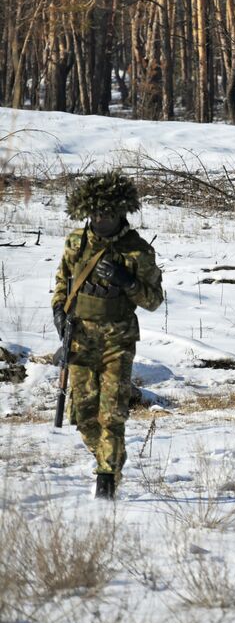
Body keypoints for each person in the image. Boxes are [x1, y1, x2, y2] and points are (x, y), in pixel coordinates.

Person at [51, 171, 164, 500]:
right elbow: (62, 286)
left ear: (121, 214)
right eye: (95, 214)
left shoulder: (137, 252)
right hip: (80, 340)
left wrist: (127, 282)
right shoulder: (76, 242)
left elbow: (154, 300)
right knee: (85, 416)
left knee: (112, 415)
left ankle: (106, 480)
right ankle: (107, 458)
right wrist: (59, 315)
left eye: (108, 215)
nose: (101, 220)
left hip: (118, 342)